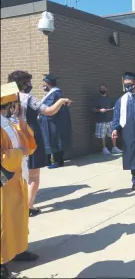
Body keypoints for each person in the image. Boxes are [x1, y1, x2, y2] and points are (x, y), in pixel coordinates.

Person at [8, 70, 72, 217]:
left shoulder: (6, 98)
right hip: (30, 137)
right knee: (33, 175)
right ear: (24, 83)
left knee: (15, 173)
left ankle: (16, 204)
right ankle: (28, 207)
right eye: (28, 81)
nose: (31, 84)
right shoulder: (28, 98)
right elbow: (48, 111)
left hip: (11, 138)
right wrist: (61, 101)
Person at [1, 82, 39, 279]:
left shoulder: (9, 123)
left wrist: (22, 120)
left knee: (19, 218)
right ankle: (1, 261)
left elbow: (29, 146)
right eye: (14, 105)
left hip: (18, 178)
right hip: (4, 182)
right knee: (3, 221)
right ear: (8, 105)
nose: (16, 108)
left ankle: (19, 249)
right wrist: (18, 153)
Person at [39, 74, 73, 168]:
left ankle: (57, 162)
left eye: (44, 83)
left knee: (54, 141)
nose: (43, 85)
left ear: (48, 83)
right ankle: (57, 161)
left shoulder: (54, 94)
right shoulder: (56, 93)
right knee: (56, 141)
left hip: (53, 122)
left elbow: (48, 108)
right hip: (55, 121)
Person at [92, 84, 122, 155]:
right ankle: (104, 149)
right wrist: (100, 110)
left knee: (112, 134)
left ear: (106, 89)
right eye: (101, 88)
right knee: (102, 136)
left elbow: (114, 107)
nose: (102, 89)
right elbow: (93, 109)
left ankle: (114, 147)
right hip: (101, 120)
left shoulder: (109, 99)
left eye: (103, 88)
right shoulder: (96, 99)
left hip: (110, 120)